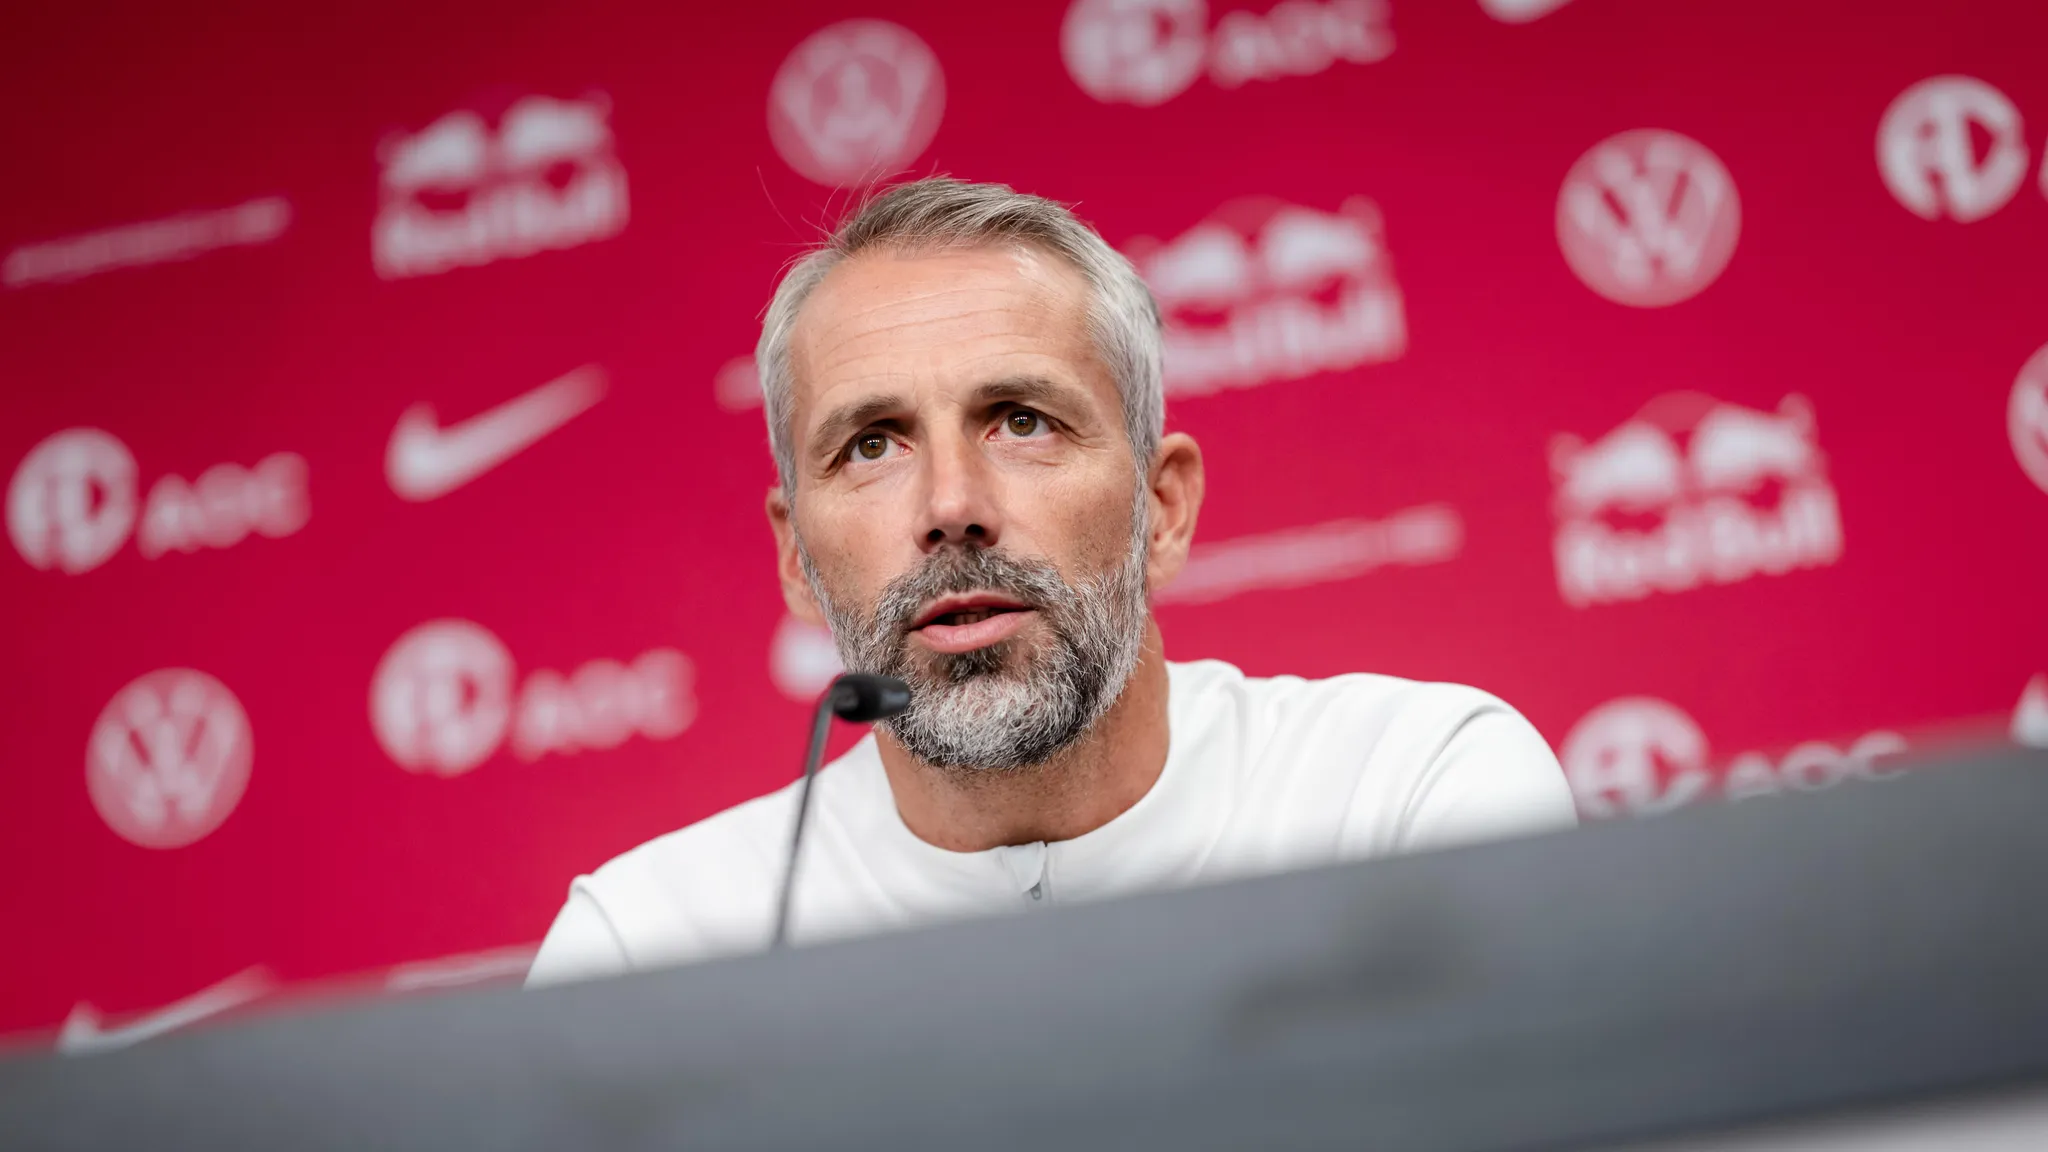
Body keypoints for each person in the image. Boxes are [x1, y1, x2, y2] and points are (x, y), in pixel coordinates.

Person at [525, 177, 1577, 986]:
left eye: (1020, 421)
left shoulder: (1404, 798)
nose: (950, 502)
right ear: (797, 558)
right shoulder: (651, 948)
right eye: (872, 445)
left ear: (1159, 507)